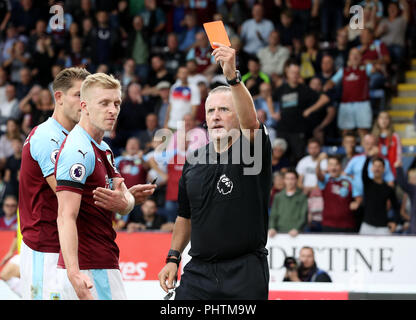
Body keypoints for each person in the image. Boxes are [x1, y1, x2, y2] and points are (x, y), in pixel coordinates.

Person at [158, 42, 272, 300]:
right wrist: (173, 258)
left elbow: (251, 123)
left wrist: (232, 77)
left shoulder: (252, 150)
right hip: (198, 273)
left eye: (224, 109)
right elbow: (185, 216)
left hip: (244, 272)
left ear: (238, 115)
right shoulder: (194, 160)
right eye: (211, 110)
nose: (216, 116)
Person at [54, 73, 151, 300]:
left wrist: (128, 199)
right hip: (90, 268)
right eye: (104, 103)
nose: (113, 110)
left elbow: (124, 201)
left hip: (103, 261)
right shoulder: (77, 151)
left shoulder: (103, 148)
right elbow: (65, 216)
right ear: (85, 106)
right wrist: (74, 273)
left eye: (116, 103)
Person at [18, 67, 91, 300]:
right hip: (45, 250)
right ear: (58, 97)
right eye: (79, 95)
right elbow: (66, 194)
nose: (84, 103)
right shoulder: (48, 137)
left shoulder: (76, 138)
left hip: (67, 247)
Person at [272, 60, 329, 165]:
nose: (295, 75)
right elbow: (269, 97)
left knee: (298, 158)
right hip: (283, 129)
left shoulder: (305, 89)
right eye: (292, 72)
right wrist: (272, 113)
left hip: (299, 131)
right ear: (287, 73)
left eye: (297, 73)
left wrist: (310, 110)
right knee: (280, 157)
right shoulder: (281, 89)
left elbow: (325, 98)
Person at [323, 47, 374, 138]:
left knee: (363, 131)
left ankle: (365, 151)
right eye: (352, 54)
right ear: (349, 57)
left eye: (357, 54)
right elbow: (332, 82)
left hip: (362, 103)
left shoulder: (366, 68)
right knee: (346, 132)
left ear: (360, 57)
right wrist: (327, 85)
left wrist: (366, 63)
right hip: (346, 104)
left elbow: (376, 69)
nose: (354, 57)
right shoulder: (344, 70)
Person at [317, 154, 361, 233]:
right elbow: (318, 175)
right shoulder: (326, 179)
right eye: (330, 165)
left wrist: (357, 202)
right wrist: (319, 161)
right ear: (327, 167)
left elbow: (358, 197)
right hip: (328, 224)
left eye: (336, 165)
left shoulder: (349, 180)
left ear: (341, 166)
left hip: (347, 224)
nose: (333, 168)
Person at [360, 150, 400, 235]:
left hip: (383, 227)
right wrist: (368, 157)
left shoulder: (388, 188)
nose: (377, 168)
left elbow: (396, 207)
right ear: (371, 168)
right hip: (367, 226)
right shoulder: (368, 183)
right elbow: (363, 172)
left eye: (380, 166)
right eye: (375, 166)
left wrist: (395, 222)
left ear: (384, 169)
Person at [268, 170, 308, 238]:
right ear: (284, 180)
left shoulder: (302, 197)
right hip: (278, 233)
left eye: (292, 179)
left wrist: (296, 228)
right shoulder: (278, 196)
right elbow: (273, 215)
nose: (290, 181)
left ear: (296, 180)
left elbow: (303, 216)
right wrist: (272, 227)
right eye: (287, 179)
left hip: (296, 234)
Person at [371, 111, 402, 177]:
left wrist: (398, 161)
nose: (383, 120)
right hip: (377, 168)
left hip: (391, 167)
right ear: (378, 120)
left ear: (389, 121)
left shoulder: (395, 136)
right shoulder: (373, 136)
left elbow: (398, 152)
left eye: (386, 118)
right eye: (381, 118)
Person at [395, 162, 416, 234]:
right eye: (411, 178)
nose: (412, 180)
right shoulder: (413, 190)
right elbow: (402, 183)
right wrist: (398, 168)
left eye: (414, 178)